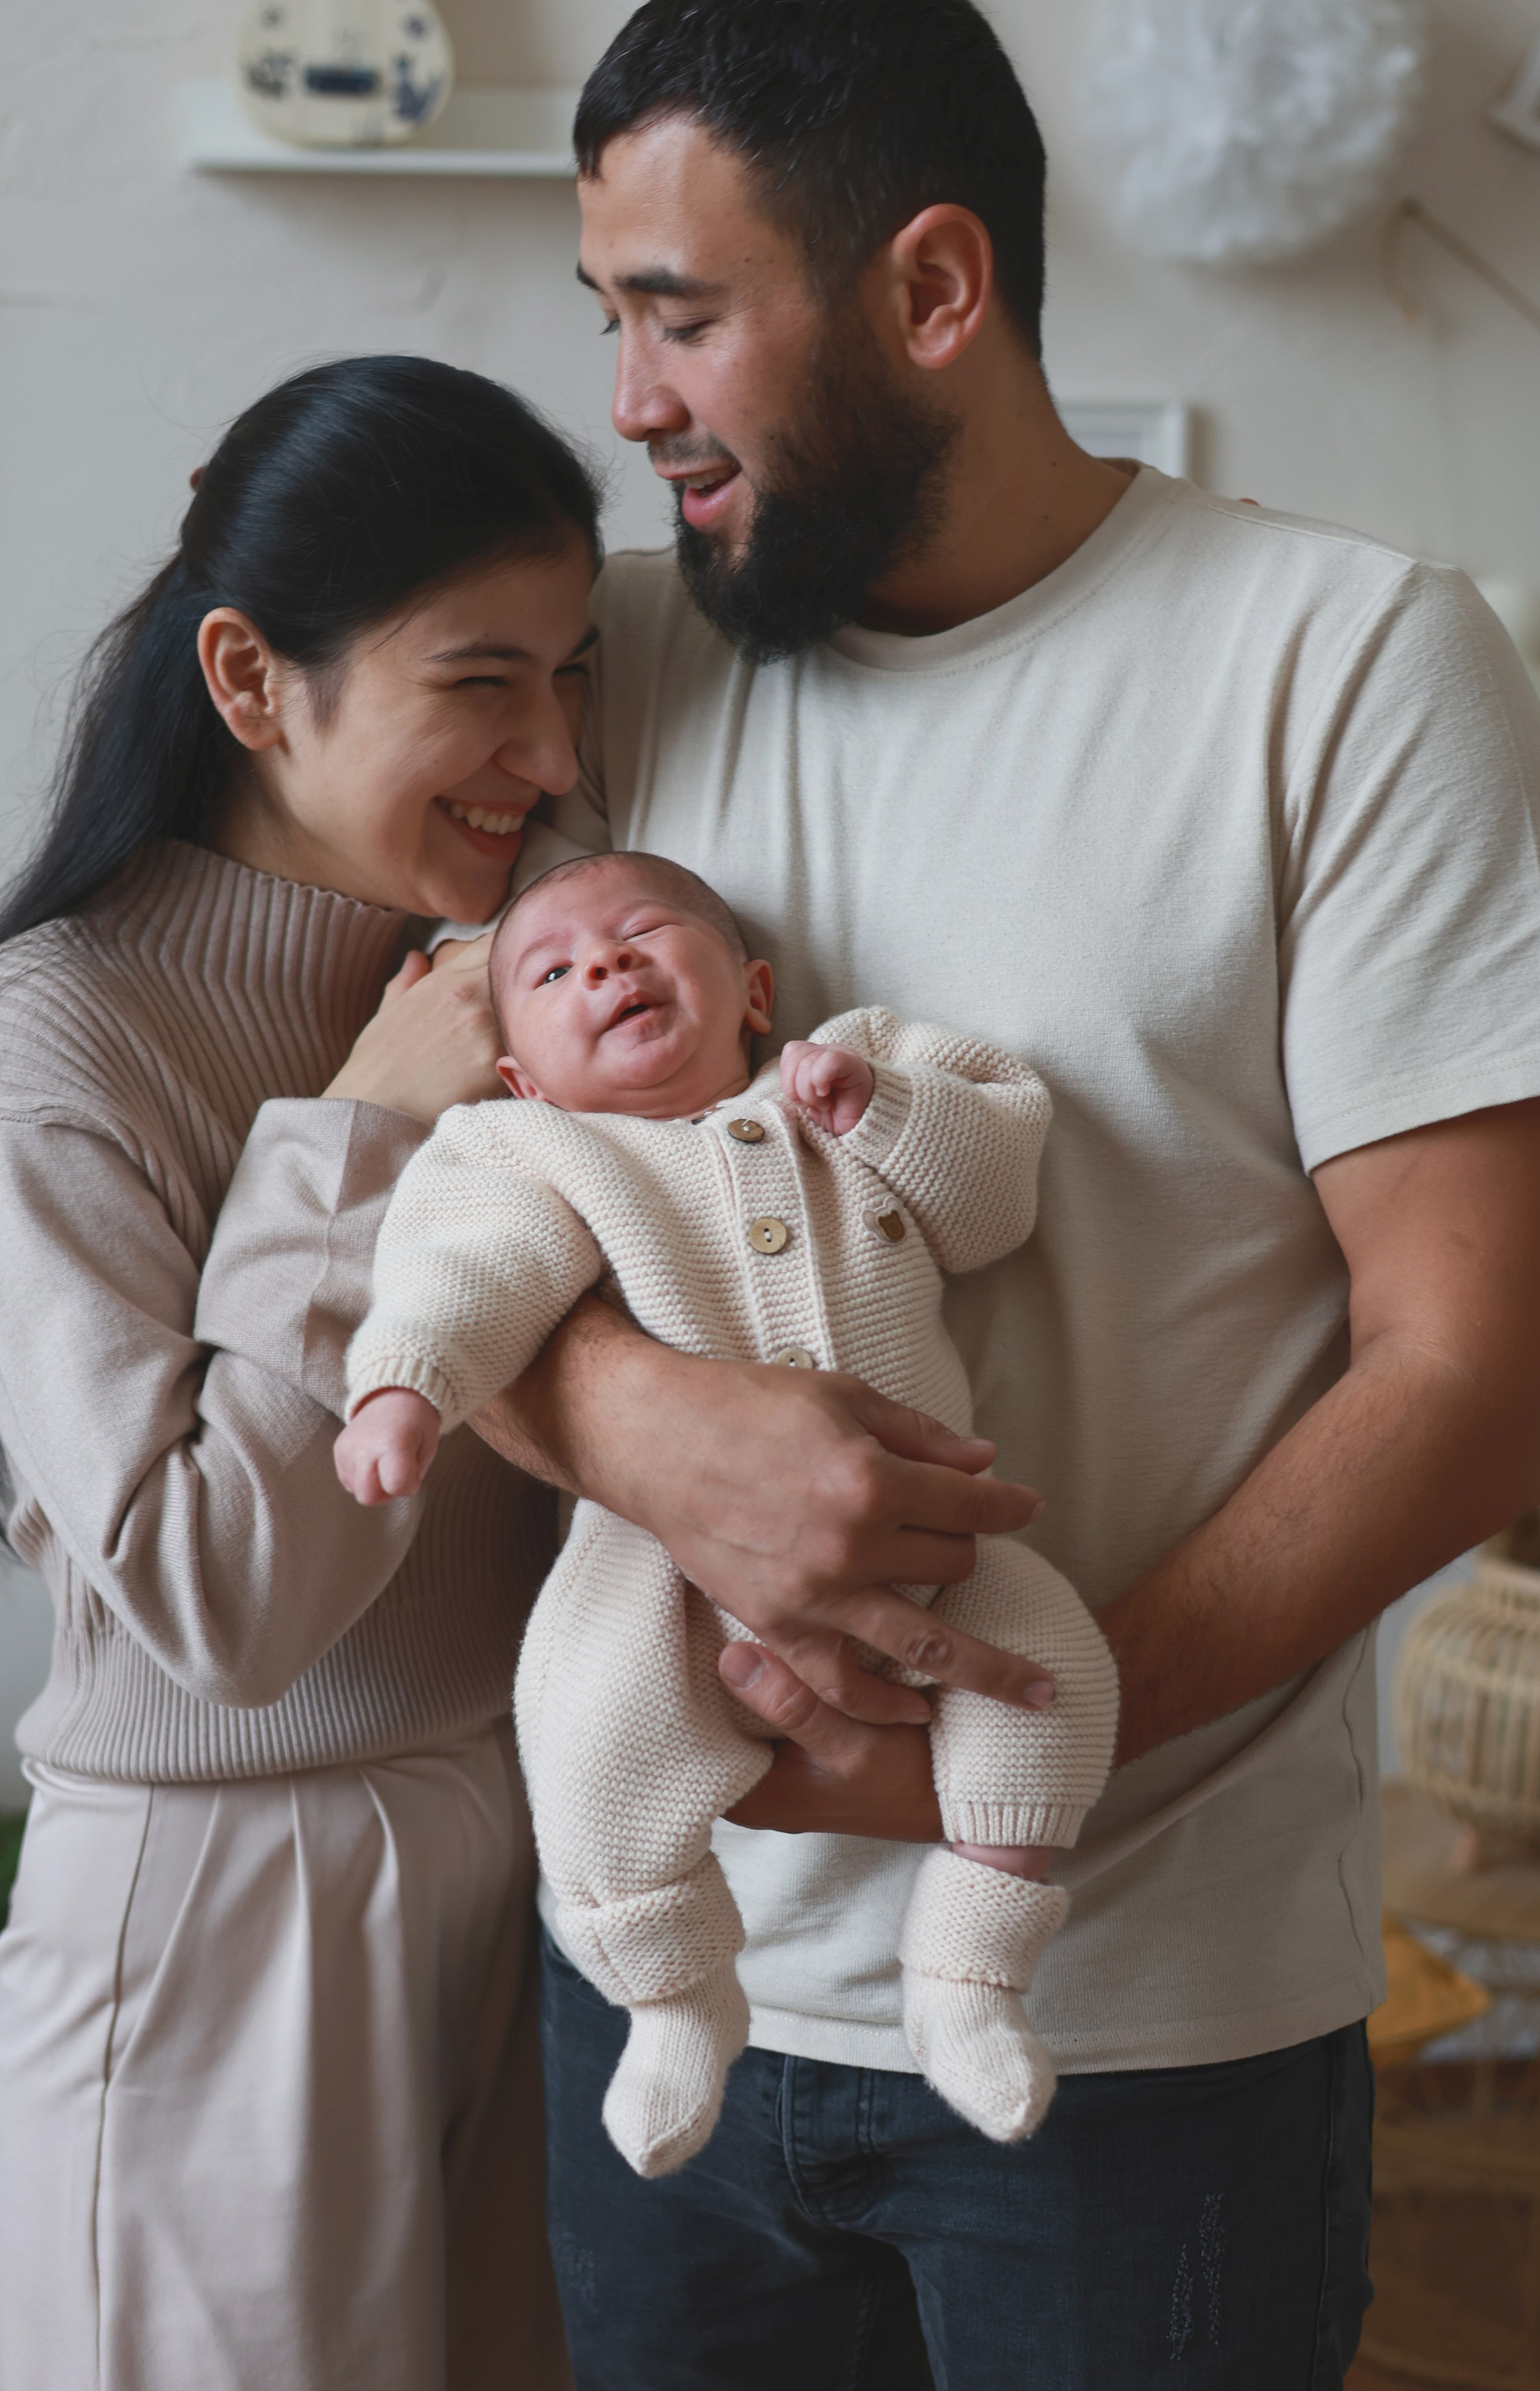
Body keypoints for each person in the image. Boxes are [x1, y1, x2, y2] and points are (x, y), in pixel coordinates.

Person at [465, 0, 1540, 2391]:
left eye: (681, 315)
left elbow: (1478, 1368)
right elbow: (425, 1185)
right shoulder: (605, 666)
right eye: (608, 322)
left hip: (1145, 2023)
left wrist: (1001, 1765)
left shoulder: (1342, 664)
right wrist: (639, 1421)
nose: (627, 402)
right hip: (670, 1984)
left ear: (933, 287)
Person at [0, 356, 603, 2391]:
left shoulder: (524, 969)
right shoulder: (58, 1028)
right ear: (253, 680)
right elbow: (228, 1599)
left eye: (572, 674)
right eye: (482, 683)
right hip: (223, 1910)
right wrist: (353, 1136)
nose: (552, 752)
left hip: (506, 1863)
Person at [337, 849, 1119, 2171]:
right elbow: (469, 1266)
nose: (607, 964)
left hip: (940, 1538)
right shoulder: (536, 1150)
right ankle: (676, 2002)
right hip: (663, 1576)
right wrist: (406, 1385)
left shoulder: (844, 1075)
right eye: (555, 972)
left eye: (644, 932)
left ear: (754, 991)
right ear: (523, 1077)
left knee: (1057, 1683)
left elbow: (995, 1200)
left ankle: (971, 1971)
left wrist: (877, 1110)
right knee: (585, 1739)